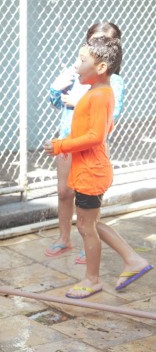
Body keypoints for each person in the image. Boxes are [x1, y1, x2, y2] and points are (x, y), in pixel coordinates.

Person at [44, 37, 152, 299]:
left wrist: (61, 145)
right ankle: (132, 259)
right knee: (88, 223)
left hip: (92, 171)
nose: (77, 65)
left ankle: (92, 279)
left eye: (82, 61)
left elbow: (95, 136)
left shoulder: (101, 95)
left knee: (85, 226)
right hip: (88, 169)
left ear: (101, 67)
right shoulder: (96, 92)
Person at [45, 22, 125, 264]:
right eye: (93, 41)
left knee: (87, 211)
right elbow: (57, 100)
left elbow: (102, 127)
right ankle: (65, 238)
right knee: (64, 192)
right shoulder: (83, 76)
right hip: (68, 142)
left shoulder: (104, 88)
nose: (77, 64)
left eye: (103, 41)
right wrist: (57, 90)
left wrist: (78, 100)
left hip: (86, 151)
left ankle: (90, 249)